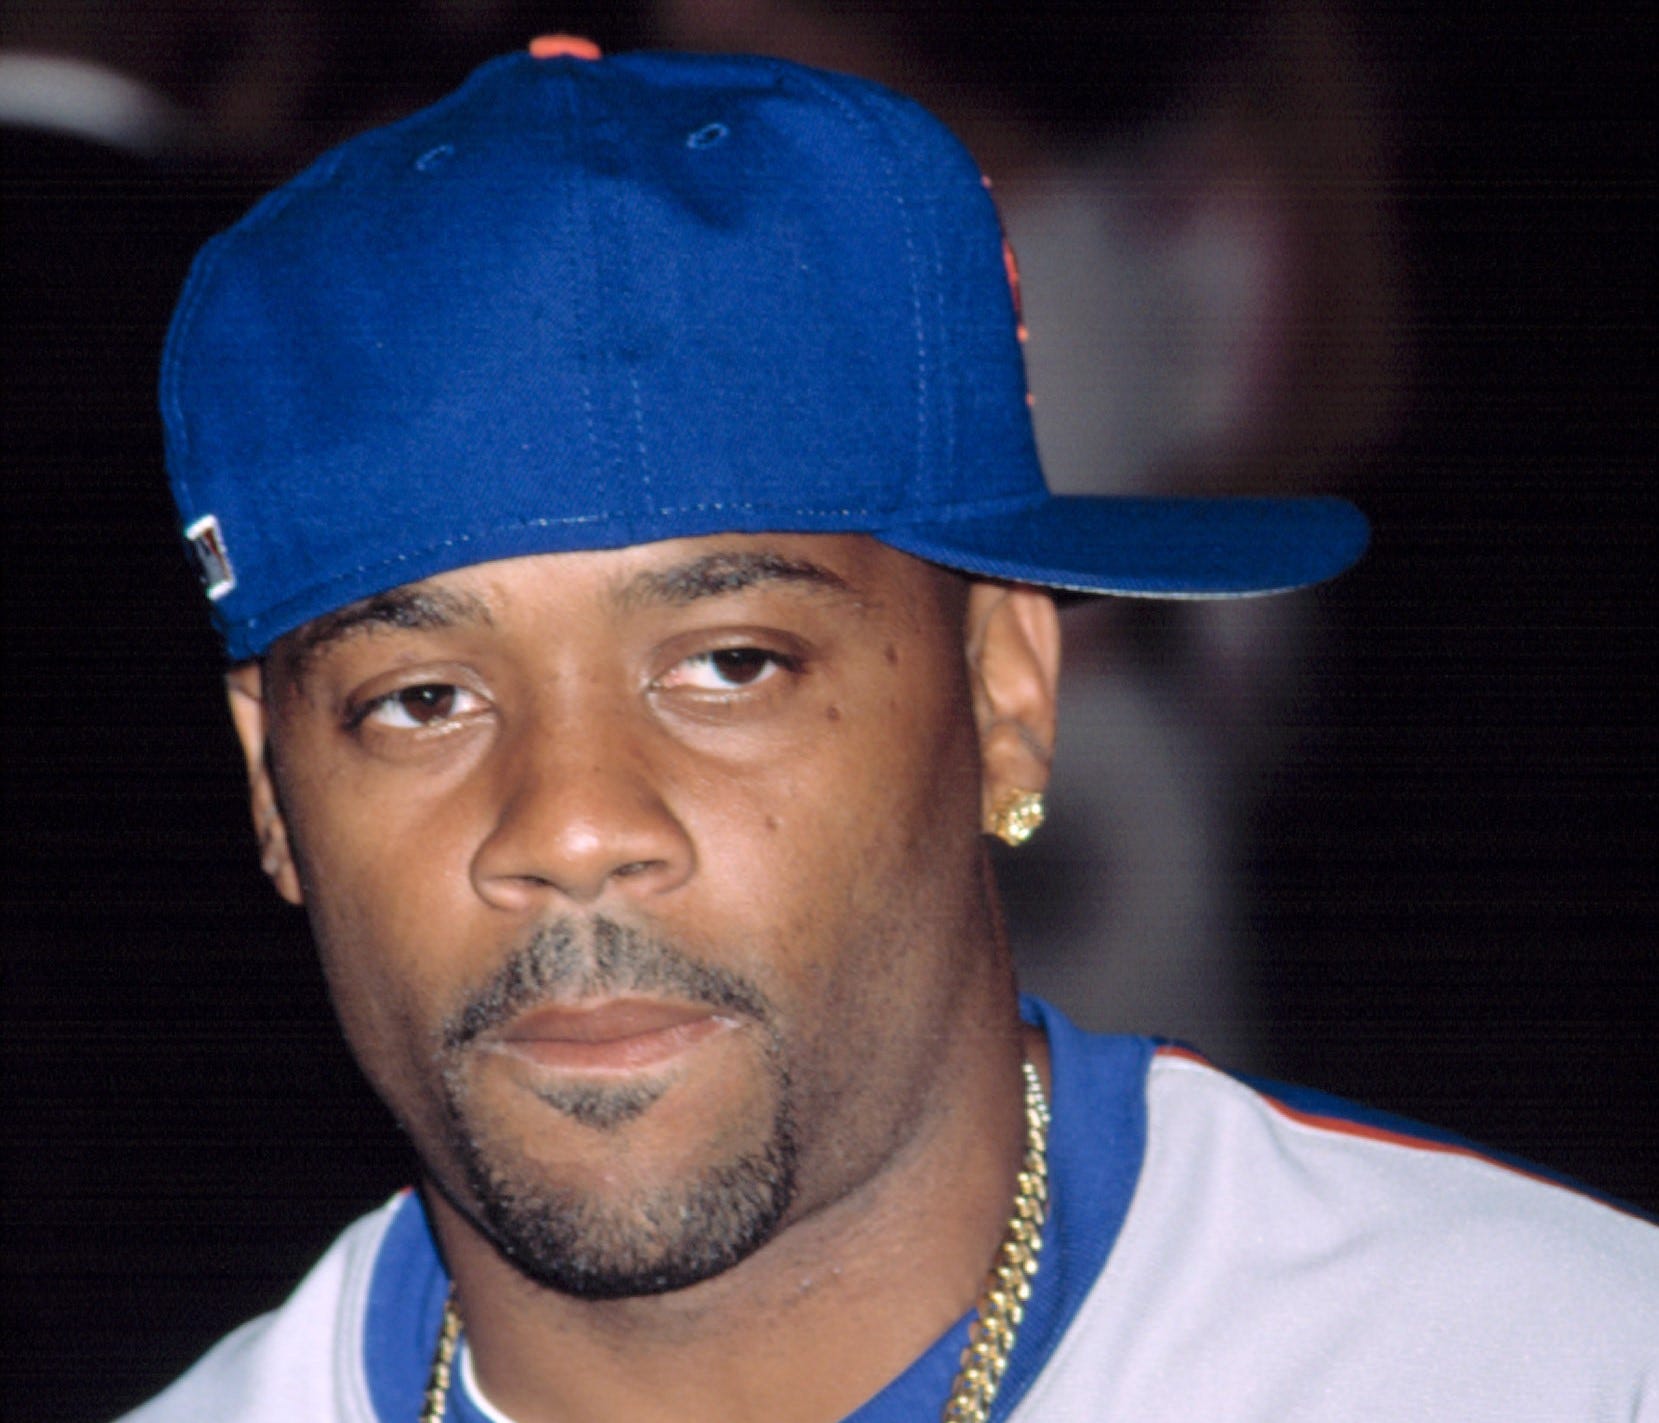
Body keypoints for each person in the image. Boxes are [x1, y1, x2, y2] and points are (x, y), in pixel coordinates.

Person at [116, 40, 1655, 1423]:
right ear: (272, 785)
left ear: (1006, 694)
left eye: (730, 664)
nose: (571, 826)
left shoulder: (1545, 1366)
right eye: (421, 700)